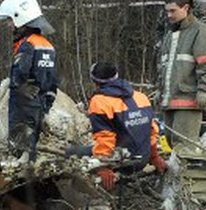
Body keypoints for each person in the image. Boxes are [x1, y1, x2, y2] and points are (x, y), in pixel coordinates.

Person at [68, 62, 165, 191]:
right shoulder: (141, 96)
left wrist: (103, 166)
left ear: (95, 81)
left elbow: (105, 137)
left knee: (70, 153)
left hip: (124, 161)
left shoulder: (100, 101)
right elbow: (152, 131)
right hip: (143, 157)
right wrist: (154, 156)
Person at [0, 0, 58, 159]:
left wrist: (18, 88)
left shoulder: (27, 45)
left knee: (19, 149)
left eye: (10, 20)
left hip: (23, 105)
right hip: (39, 104)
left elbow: (19, 75)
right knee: (31, 147)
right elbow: (52, 83)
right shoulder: (47, 45)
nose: (9, 25)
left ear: (20, 19)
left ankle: (23, 181)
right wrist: (45, 107)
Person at [157, 0, 206, 157]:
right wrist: (160, 91)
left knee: (184, 146)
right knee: (170, 142)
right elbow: (163, 67)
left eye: (173, 11)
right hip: (170, 99)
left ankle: (189, 181)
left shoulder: (200, 32)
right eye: (167, 11)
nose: (168, 15)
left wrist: (204, 91)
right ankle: (176, 179)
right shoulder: (170, 34)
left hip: (189, 100)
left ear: (185, 8)